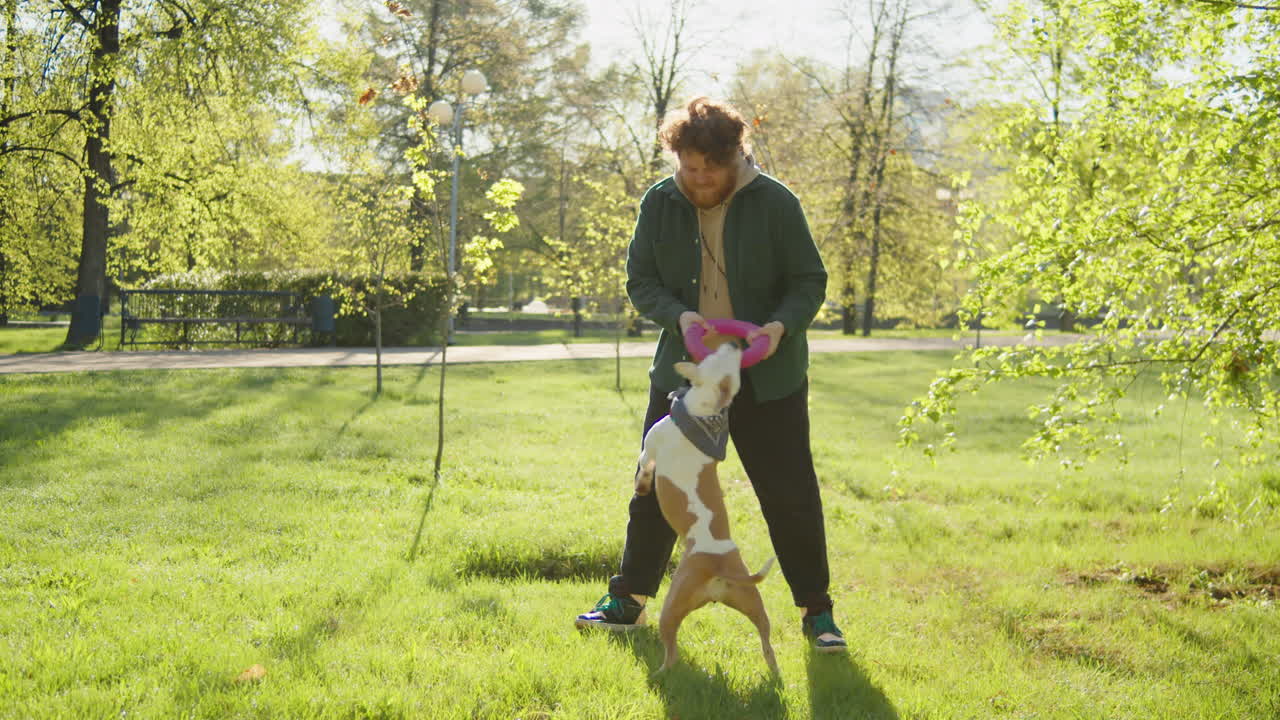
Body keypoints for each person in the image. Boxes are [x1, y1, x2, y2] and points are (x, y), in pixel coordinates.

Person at [574, 96, 845, 652]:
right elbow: (641, 280)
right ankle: (627, 600)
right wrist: (681, 316)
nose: (696, 179)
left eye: (709, 168)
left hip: (767, 374)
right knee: (654, 483)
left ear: (734, 157)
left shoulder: (774, 202)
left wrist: (777, 329)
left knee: (788, 491)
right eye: (687, 166)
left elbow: (808, 280)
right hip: (686, 372)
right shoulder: (661, 201)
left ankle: (818, 614)